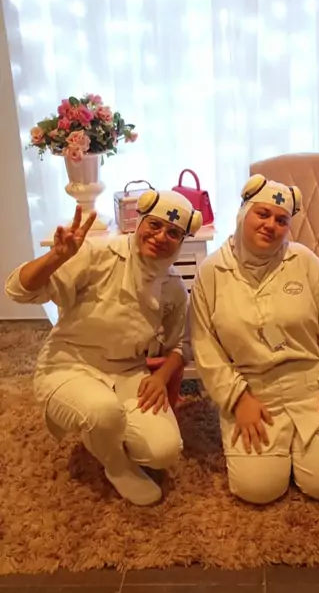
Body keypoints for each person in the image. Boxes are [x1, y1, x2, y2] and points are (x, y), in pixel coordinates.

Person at [5, 190, 202, 506]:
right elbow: (18, 290)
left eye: (173, 233)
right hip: (68, 364)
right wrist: (57, 257)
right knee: (103, 412)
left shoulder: (173, 286)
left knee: (164, 450)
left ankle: (105, 431)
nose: (160, 237)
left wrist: (161, 376)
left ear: (182, 241)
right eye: (154, 225)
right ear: (139, 222)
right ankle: (116, 464)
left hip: (129, 372)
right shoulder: (97, 253)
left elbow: (180, 343)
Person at [190, 174, 319, 505]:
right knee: (258, 489)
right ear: (244, 213)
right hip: (253, 392)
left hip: (311, 387)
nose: (271, 225)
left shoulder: (305, 262)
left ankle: (310, 453)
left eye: (281, 220)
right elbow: (204, 346)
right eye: (263, 214)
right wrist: (237, 399)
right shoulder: (211, 271)